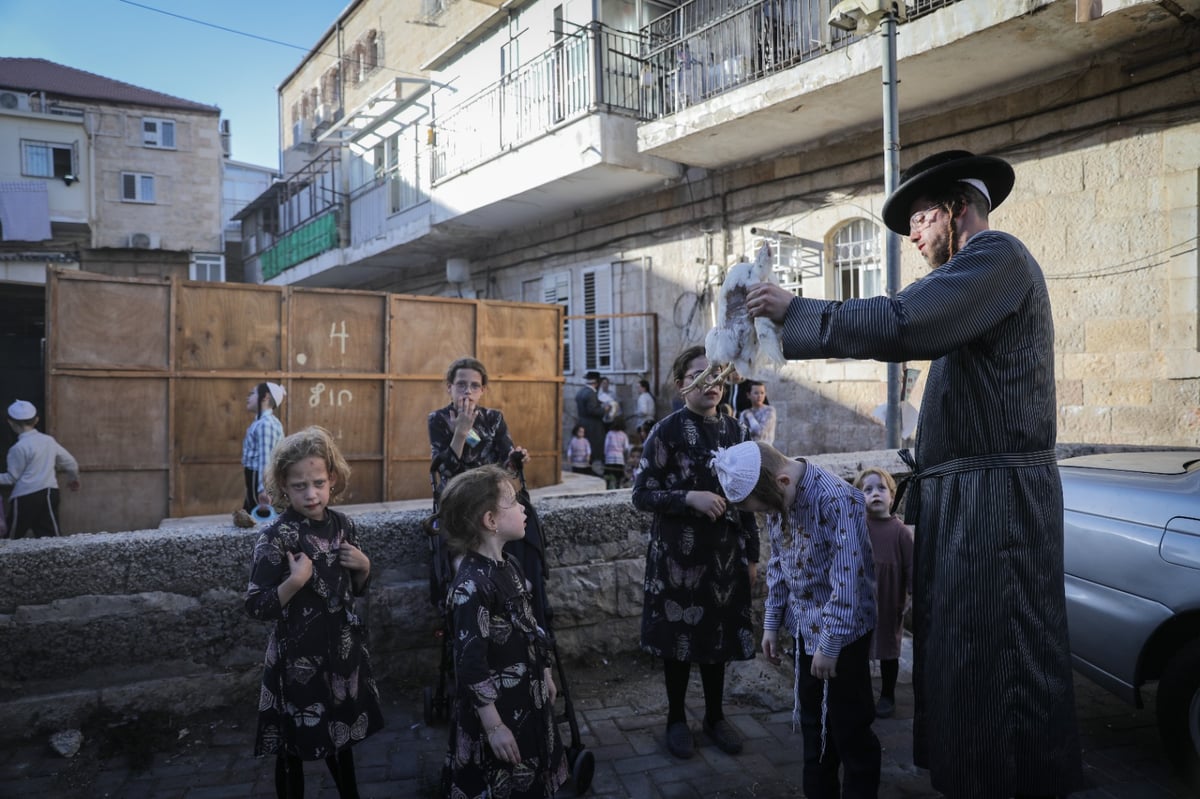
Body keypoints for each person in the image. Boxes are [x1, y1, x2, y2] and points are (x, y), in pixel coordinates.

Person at [745, 149, 1082, 797]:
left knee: (997, 662)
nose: (913, 234)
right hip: (970, 504)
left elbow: (905, 321)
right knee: (964, 660)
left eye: (922, 216)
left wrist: (797, 312)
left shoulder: (998, 258)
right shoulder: (974, 280)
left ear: (958, 209)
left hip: (998, 512)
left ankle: (1008, 782)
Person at [712, 440, 880, 798]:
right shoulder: (779, 497)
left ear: (783, 482)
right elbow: (780, 561)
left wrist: (830, 644)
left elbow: (849, 580)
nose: (766, 516)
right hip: (806, 631)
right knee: (812, 724)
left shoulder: (838, 499)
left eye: (762, 509)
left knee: (850, 729)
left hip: (843, 637)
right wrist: (772, 621)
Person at [631, 345, 759, 760]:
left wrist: (753, 555)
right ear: (681, 383)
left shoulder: (737, 432)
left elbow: (749, 496)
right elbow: (641, 494)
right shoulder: (664, 431)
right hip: (677, 559)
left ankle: (715, 716)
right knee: (678, 639)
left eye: (719, 376)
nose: (712, 384)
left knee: (717, 636)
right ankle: (675, 719)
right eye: (701, 375)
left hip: (725, 556)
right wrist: (690, 498)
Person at [244, 425, 384, 799]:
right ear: (283, 487)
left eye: (319, 483)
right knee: (294, 745)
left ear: (332, 479)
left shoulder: (345, 526)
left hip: (342, 655)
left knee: (342, 741)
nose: (311, 493)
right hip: (297, 663)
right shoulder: (276, 537)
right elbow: (256, 605)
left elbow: (354, 591)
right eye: (299, 486)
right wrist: (294, 582)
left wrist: (365, 566)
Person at [432, 464, 568, 798]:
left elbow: (531, 624)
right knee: (502, 778)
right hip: (498, 710)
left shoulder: (510, 564)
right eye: (513, 502)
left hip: (527, 695)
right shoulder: (472, 587)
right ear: (490, 521)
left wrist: (546, 670)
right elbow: (470, 664)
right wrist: (494, 728)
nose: (523, 508)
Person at [853, 467, 913, 719]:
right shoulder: (857, 528)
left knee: (889, 647)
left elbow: (911, 565)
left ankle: (887, 694)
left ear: (892, 495)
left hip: (889, 600)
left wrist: (913, 593)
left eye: (881, 488)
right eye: (867, 490)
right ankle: (861, 696)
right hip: (860, 600)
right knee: (858, 650)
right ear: (859, 497)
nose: (875, 494)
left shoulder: (899, 531)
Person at [1, 399, 80, 538]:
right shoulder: (48, 441)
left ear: (10, 422)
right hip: (49, 493)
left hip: (25, 498)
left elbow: (11, 479)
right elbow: (71, 463)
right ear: (36, 420)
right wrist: (73, 479)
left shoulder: (17, 448)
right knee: (52, 539)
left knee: (10, 540)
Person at [241, 382, 286, 516]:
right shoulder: (261, 423)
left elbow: (266, 459)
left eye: (252, 393)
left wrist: (264, 490)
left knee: (260, 519)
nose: (248, 398)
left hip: (258, 480)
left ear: (265, 396)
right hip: (254, 478)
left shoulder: (266, 424)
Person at [574, 371, 606, 472]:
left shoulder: (581, 392)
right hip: (592, 427)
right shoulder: (591, 393)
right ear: (596, 383)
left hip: (582, 423)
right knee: (592, 450)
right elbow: (592, 410)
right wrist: (605, 409)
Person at [738, 380, 777, 445]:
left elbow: (760, 432)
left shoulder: (769, 411)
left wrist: (750, 417)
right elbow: (742, 435)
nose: (759, 396)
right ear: (748, 395)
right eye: (756, 393)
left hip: (765, 451)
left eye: (762, 393)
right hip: (748, 450)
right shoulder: (744, 413)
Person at [602, 417, 630, 490]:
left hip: (609, 457)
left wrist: (605, 455)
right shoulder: (624, 435)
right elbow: (626, 447)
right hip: (619, 458)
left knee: (609, 475)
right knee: (618, 476)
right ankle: (618, 487)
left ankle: (607, 488)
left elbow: (606, 446)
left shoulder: (609, 433)